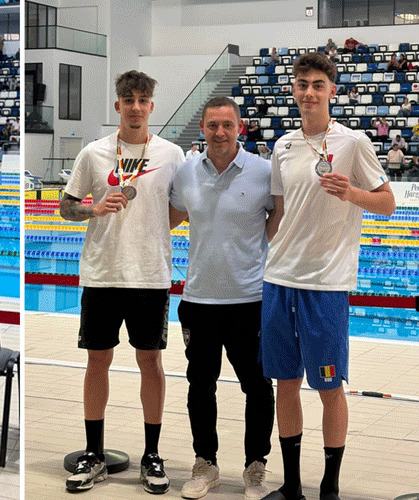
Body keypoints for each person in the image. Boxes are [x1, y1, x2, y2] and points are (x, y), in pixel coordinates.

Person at [260, 52, 395, 500]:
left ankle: (330, 488)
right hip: (279, 279)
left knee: (330, 387)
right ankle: (293, 485)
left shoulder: (354, 142)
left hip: (327, 285)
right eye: (302, 85)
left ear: (332, 90)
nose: (309, 92)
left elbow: (388, 202)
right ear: (293, 90)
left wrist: (353, 192)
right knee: (286, 383)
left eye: (318, 84)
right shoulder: (282, 146)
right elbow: (279, 213)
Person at [60, 70, 184, 494]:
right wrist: (92, 211)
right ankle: (93, 454)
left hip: (149, 276)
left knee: (151, 363)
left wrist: (152, 229)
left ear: (152, 105)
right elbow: (66, 206)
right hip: (102, 274)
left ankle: (152, 455)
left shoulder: (172, 154)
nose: (135, 106)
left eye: (142, 99)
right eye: (127, 99)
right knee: (98, 361)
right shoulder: (93, 153)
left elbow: (183, 207)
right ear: (117, 105)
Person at [169, 96, 277, 500]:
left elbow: (278, 216)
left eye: (226, 125)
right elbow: (172, 216)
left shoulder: (263, 172)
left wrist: (254, 252)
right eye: (212, 125)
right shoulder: (184, 172)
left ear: (240, 128)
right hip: (198, 299)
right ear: (202, 127)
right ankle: (206, 463)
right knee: (200, 385)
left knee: (257, 385)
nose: (219, 133)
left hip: (250, 299)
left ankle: (255, 468)